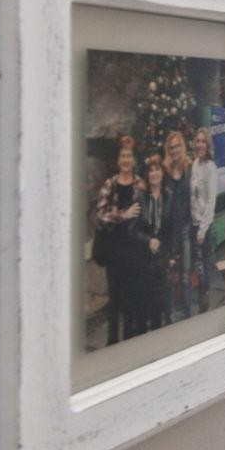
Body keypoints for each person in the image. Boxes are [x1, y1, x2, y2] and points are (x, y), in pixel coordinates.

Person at [91, 136, 146, 347]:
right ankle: (112, 341)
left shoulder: (140, 185)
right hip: (114, 251)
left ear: (133, 161)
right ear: (118, 161)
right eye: (122, 156)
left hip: (133, 250)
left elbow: (144, 215)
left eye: (128, 156)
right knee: (114, 298)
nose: (125, 159)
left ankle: (131, 340)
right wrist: (123, 214)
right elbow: (100, 215)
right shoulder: (109, 184)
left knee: (132, 295)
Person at [133, 155, 171, 334]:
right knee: (143, 301)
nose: (154, 173)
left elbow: (172, 228)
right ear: (147, 175)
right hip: (144, 257)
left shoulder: (168, 196)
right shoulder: (141, 197)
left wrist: (170, 255)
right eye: (151, 170)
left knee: (158, 303)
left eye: (157, 169)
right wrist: (148, 241)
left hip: (161, 258)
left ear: (162, 173)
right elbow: (132, 230)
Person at [161, 129, 195, 321]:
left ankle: (188, 312)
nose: (174, 150)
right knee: (168, 275)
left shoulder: (190, 168)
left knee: (185, 273)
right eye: (171, 147)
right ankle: (170, 314)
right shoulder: (164, 170)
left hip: (185, 229)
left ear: (182, 147)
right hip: (168, 231)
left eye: (177, 146)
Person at [189, 126, 219, 312]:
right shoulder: (194, 164)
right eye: (197, 141)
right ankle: (200, 295)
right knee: (196, 264)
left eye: (203, 141)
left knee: (205, 264)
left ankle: (205, 302)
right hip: (192, 222)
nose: (200, 144)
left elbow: (211, 201)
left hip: (203, 226)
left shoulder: (210, 167)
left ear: (208, 145)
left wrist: (202, 229)